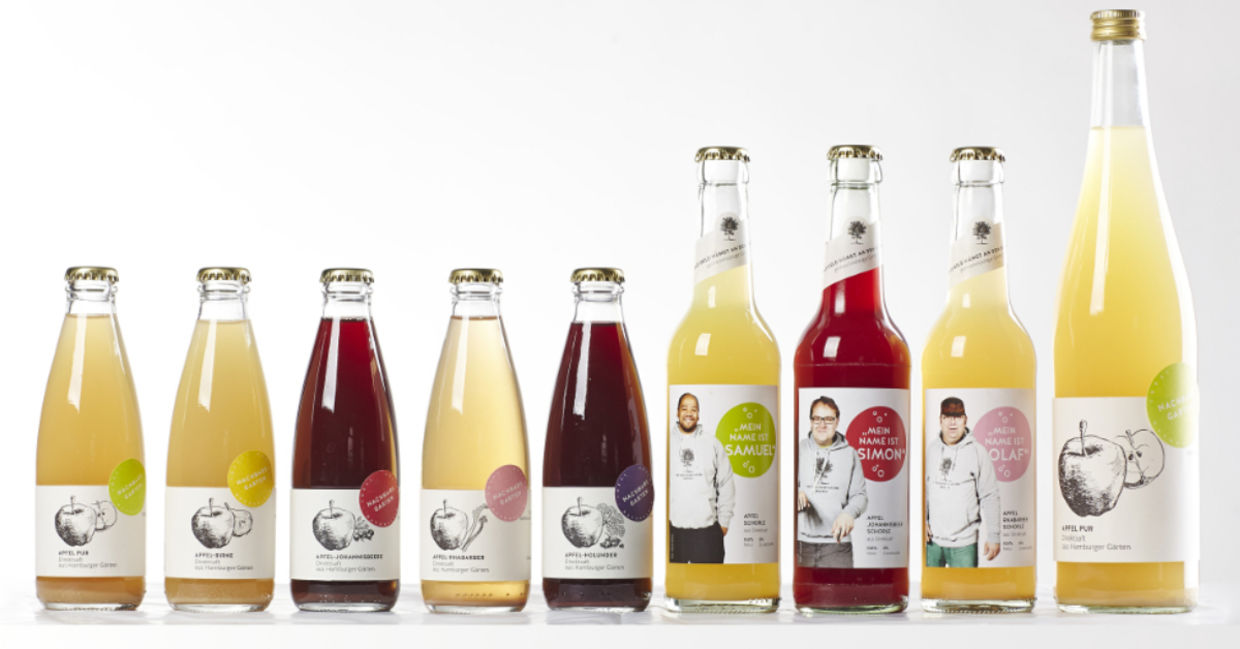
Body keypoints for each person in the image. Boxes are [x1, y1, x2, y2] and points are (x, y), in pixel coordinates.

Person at [925, 397, 1001, 568]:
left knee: (965, 586)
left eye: (957, 416)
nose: (952, 422)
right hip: (932, 542)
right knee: (932, 585)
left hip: (964, 545)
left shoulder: (978, 452)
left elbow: (990, 495)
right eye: (947, 416)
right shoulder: (931, 450)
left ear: (965, 420)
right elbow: (924, 490)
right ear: (940, 420)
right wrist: (923, 521)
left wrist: (994, 536)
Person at [796, 396, 867, 568]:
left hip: (837, 544)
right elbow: (782, 488)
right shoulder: (798, 449)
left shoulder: (850, 454)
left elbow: (860, 496)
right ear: (810, 421)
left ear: (837, 421)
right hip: (801, 543)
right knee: (805, 586)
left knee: (840, 586)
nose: (822, 424)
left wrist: (848, 513)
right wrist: (796, 492)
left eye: (828, 419)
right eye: (817, 418)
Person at [668, 392, 734, 563]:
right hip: (674, 533)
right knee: (676, 581)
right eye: (684, 409)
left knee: (710, 580)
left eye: (693, 409)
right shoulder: (666, 443)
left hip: (706, 534)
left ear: (698, 414)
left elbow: (726, 482)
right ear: (677, 412)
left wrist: (724, 522)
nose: (689, 413)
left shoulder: (712, 443)